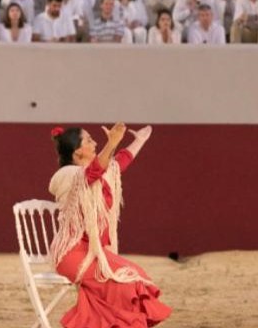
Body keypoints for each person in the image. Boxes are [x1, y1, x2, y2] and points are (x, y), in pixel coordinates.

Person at [48, 123, 171, 327]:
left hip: (92, 251)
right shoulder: (67, 175)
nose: (95, 143)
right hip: (71, 254)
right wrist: (111, 143)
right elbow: (94, 172)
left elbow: (117, 163)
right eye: (89, 140)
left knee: (136, 275)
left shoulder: (97, 172)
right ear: (77, 151)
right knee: (123, 283)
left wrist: (139, 140)